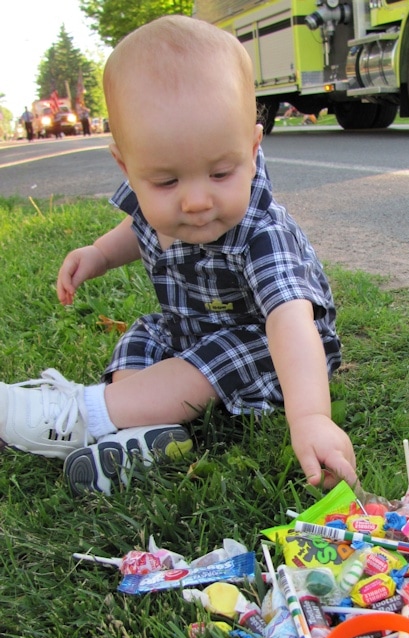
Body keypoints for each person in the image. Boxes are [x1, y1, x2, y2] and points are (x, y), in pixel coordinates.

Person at [0, 15, 357, 497]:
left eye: (220, 173)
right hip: (189, 328)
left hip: (268, 348)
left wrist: (311, 416)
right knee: (143, 339)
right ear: (128, 168)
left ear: (252, 150)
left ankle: (84, 414)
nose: (194, 202)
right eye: (167, 182)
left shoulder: (261, 231)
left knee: (210, 360)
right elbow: (137, 227)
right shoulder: (160, 206)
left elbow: (290, 323)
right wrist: (99, 254)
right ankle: (138, 432)